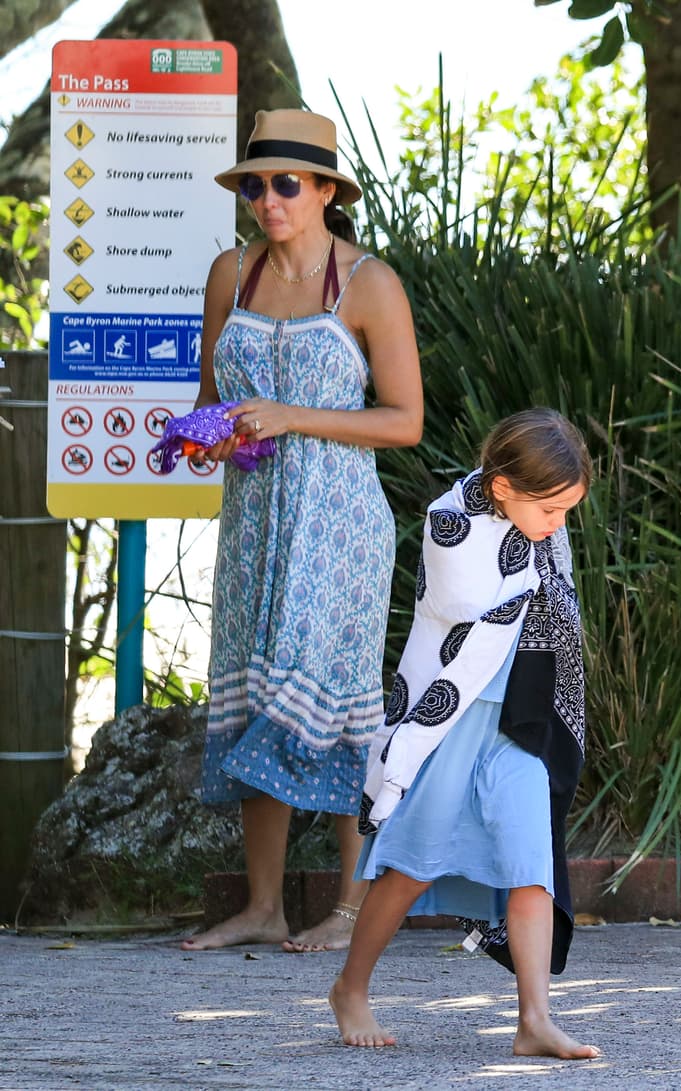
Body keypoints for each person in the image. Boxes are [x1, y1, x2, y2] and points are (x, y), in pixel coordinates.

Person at [180, 109, 424, 953]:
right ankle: (262, 905)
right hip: (254, 519)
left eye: (287, 183)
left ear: (325, 190)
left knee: (330, 694)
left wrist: (292, 416)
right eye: (255, 183)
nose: (269, 198)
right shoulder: (231, 274)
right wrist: (211, 431)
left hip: (341, 524)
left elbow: (406, 422)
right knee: (254, 687)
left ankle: (351, 908)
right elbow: (217, 395)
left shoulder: (368, 284)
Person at [328, 409, 598, 1059]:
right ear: (504, 488)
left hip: (518, 723)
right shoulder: (451, 522)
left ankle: (534, 1017)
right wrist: (534, 578)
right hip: (450, 724)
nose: (559, 526)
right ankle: (350, 986)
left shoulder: (536, 525)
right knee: (409, 864)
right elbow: (473, 609)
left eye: (568, 510)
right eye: (553, 510)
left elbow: (552, 598)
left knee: (534, 866)